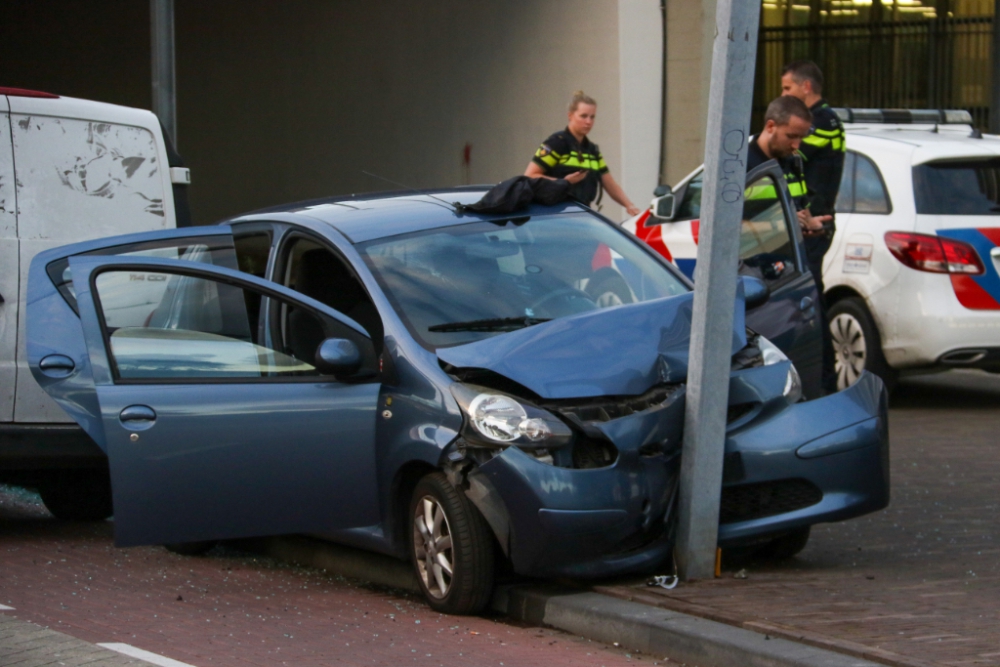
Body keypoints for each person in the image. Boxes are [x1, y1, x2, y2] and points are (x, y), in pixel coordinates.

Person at [525, 90, 640, 217]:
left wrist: (629, 206)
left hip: (582, 213)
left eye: (592, 117)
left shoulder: (592, 150)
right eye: (583, 116)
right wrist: (563, 182)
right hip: (556, 213)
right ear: (570, 115)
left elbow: (609, 182)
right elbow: (530, 175)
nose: (588, 122)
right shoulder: (557, 143)